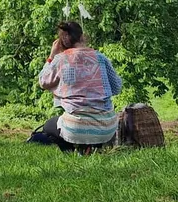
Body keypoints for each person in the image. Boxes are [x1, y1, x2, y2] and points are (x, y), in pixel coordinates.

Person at [31, 21, 123, 153]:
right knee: (79, 127)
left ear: (61, 41)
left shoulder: (61, 59)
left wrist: (51, 56)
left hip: (75, 128)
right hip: (107, 128)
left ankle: (71, 151)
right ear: (82, 36)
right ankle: (91, 149)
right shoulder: (101, 58)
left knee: (49, 126)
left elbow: (43, 81)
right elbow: (117, 87)